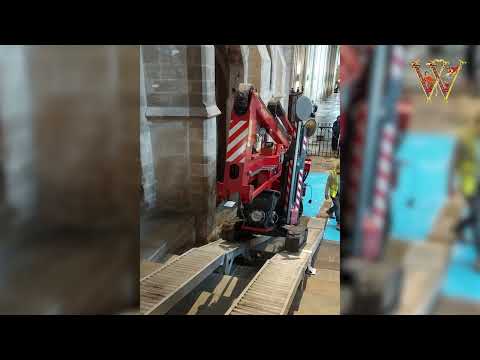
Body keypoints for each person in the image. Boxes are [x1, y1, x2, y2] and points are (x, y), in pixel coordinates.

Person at [452, 112, 480, 271]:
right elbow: (454, 161)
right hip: (470, 184)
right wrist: (449, 183)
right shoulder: (465, 138)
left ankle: (459, 227)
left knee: (476, 215)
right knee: (478, 218)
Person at [325, 160, 340, 231]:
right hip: (334, 194)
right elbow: (328, 184)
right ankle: (339, 223)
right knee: (338, 206)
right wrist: (326, 193)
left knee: (337, 206)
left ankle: (330, 211)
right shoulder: (332, 174)